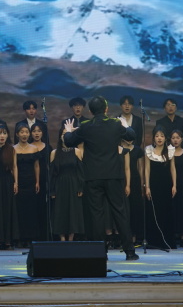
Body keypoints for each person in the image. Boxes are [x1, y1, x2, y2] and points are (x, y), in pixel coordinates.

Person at [63, 96, 139, 260]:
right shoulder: (115, 124)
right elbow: (131, 135)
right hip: (113, 175)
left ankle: (100, 253)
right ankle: (130, 252)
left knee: (96, 215)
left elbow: (68, 142)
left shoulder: (86, 126)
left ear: (90, 111)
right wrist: (125, 124)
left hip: (93, 177)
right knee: (120, 212)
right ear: (106, 109)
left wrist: (69, 130)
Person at [50, 126, 85, 241]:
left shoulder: (77, 151)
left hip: (73, 185)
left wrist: (80, 187)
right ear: (60, 136)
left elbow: (80, 171)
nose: (65, 136)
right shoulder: (54, 153)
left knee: (73, 211)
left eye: (67, 133)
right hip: (60, 185)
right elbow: (52, 174)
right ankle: (61, 238)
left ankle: (71, 238)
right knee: (60, 210)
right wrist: (52, 190)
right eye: (63, 133)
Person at [144, 128, 176, 249]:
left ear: (165, 138)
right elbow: (147, 169)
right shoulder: (148, 150)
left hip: (166, 184)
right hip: (153, 184)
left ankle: (167, 241)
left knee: (166, 211)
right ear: (153, 138)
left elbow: (173, 168)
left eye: (162, 136)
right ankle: (154, 241)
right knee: (154, 212)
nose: (159, 138)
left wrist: (174, 185)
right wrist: (147, 186)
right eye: (157, 136)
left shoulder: (170, 150)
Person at [13, 123, 40, 247]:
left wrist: (37, 181)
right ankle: (19, 238)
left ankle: (30, 238)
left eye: (26, 132)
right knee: (19, 210)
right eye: (22, 132)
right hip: (19, 182)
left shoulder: (34, 148)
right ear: (17, 134)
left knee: (30, 210)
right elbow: (14, 167)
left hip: (31, 182)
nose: (24, 134)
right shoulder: (13, 149)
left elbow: (36, 166)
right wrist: (15, 182)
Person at [30, 123, 51, 240]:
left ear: (43, 133)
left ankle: (44, 235)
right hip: (29, 180)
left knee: (43, 208)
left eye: (39, 131)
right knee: (32, 208)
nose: (36, 133)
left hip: (44, 180)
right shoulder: (28, 147)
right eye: (34, 131)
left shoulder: (48, 147)